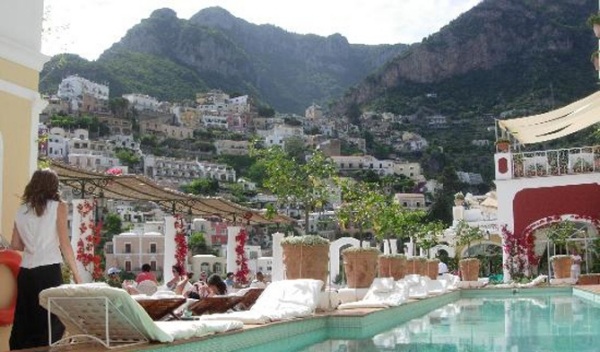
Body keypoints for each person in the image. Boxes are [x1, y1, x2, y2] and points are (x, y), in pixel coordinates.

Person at [9, 169, 82, 350]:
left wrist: (33, 246)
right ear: (53, 186)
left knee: (26, 321)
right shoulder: (59, 207)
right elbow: (65, 244)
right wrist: (77, 275)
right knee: (52, 321)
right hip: (48, 270)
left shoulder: (21, 210)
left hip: (26, 272)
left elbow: (15, 245)